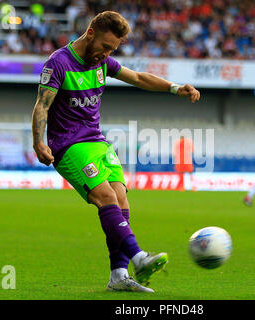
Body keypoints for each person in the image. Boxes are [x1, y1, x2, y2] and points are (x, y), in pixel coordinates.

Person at [31, 11, 200, 292]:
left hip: (97, 141)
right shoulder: (59, 63)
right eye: (105, 46)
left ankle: (118, 276)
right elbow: (42, 104)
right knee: (105, 196)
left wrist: (175, 88)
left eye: (113, 49)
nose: (107, 54)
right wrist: (39, 141)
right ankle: (139, 257)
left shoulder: (103, 62)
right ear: (90, 34)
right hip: (68, 144)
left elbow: (138, 78)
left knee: (121, 198)